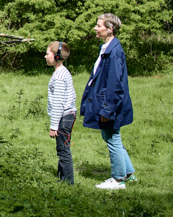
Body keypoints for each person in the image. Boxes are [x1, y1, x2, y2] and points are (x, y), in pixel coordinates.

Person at [81, 13, 136, 190]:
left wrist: (107, 110)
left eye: (99, 26)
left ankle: (118, 179)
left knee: (113, 138)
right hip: (106, 102)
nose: (95, 28)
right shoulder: (106, 48)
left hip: (110, 104)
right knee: (111, 136)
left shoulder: (114, 53)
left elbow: (115, 85)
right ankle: (127, 173)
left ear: (109, 29)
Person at [45, 41, 76, 184]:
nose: (45, 56)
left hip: (64, 116)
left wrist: (53, 126)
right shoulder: (62, 72)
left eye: (47, 53)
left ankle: (68, 182)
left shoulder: (59, 77)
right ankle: (62, 178)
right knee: (62, 147)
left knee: (63, 149)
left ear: (56, 56)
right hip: (66, 115)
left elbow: (58, 103)